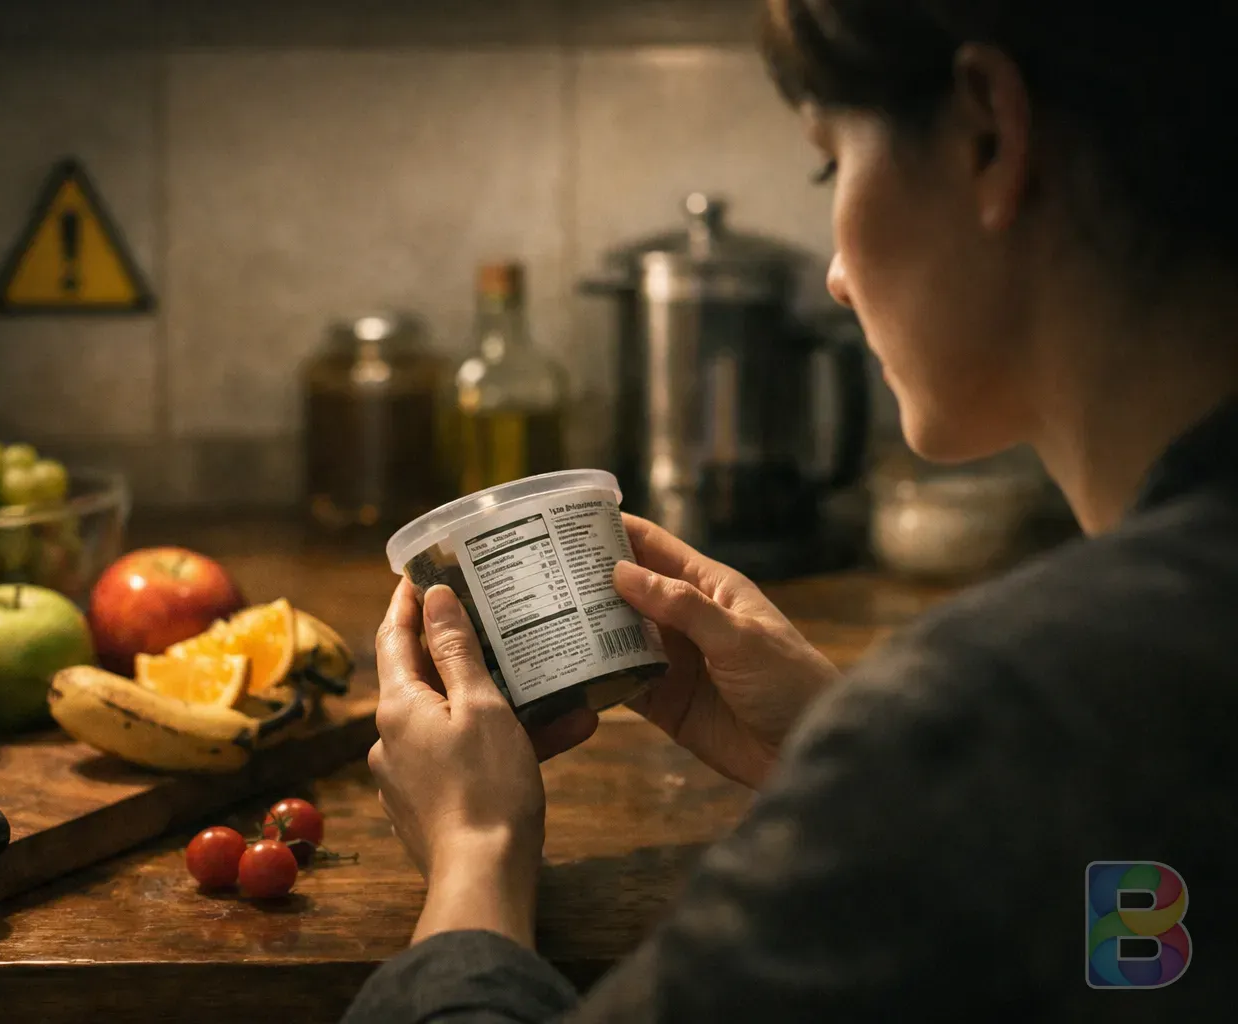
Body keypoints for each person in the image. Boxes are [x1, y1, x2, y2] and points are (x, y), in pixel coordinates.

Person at [343, 1, 1238, 1019]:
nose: (835, 277)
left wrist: (475, 859)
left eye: (829, 166)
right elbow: (1148, 947)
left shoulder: (1025, 705)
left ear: (989, 134)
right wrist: (849, 758)